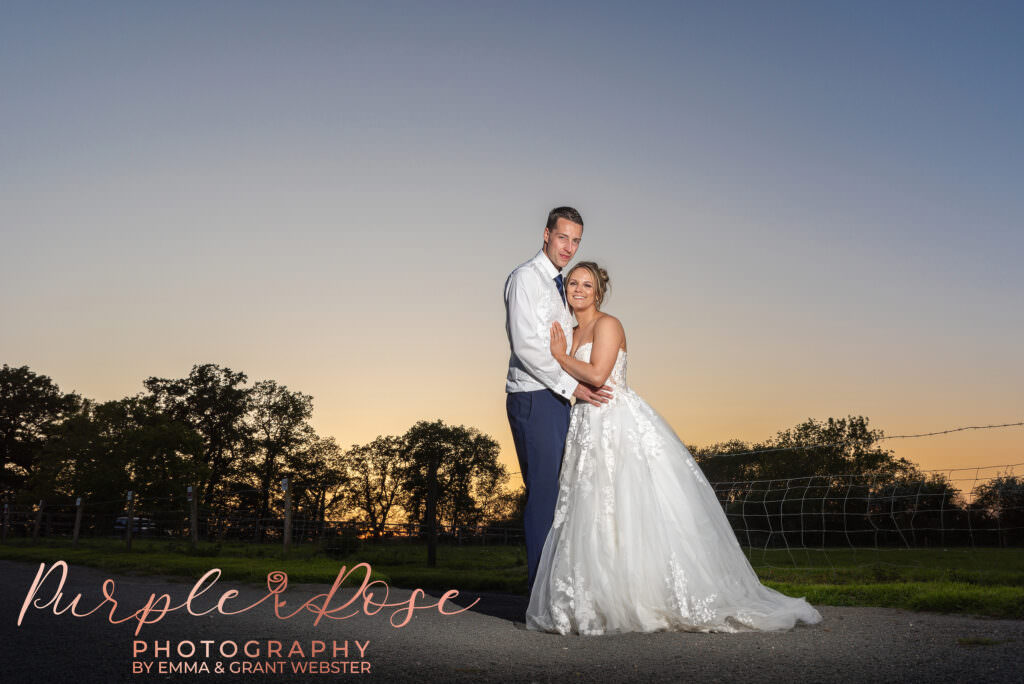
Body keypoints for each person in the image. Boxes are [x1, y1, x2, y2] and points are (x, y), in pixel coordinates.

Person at [526, 262, 823, 634]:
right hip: (585, 425)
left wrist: (559, 356)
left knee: (629, 507)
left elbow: (599, 374)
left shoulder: (608, 324)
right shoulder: (569, 332)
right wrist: (560, 355)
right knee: (594, 510)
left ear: (598, 291)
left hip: (616, 422)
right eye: (572, 282)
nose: (578, 289)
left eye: (587, 284)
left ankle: (647, 596)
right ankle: (600, 597)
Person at [504, 207, 612, 592]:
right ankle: (538, 595)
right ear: (546, 235)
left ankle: (557, 588)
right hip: (535, 396)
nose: (569, 247)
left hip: (556, 399)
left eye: (576, 240)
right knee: (545, 495)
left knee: (561, 494)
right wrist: (571, 387)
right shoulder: (526, 279)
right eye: (563, 237)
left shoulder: (560, 285)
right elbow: (527, 347)